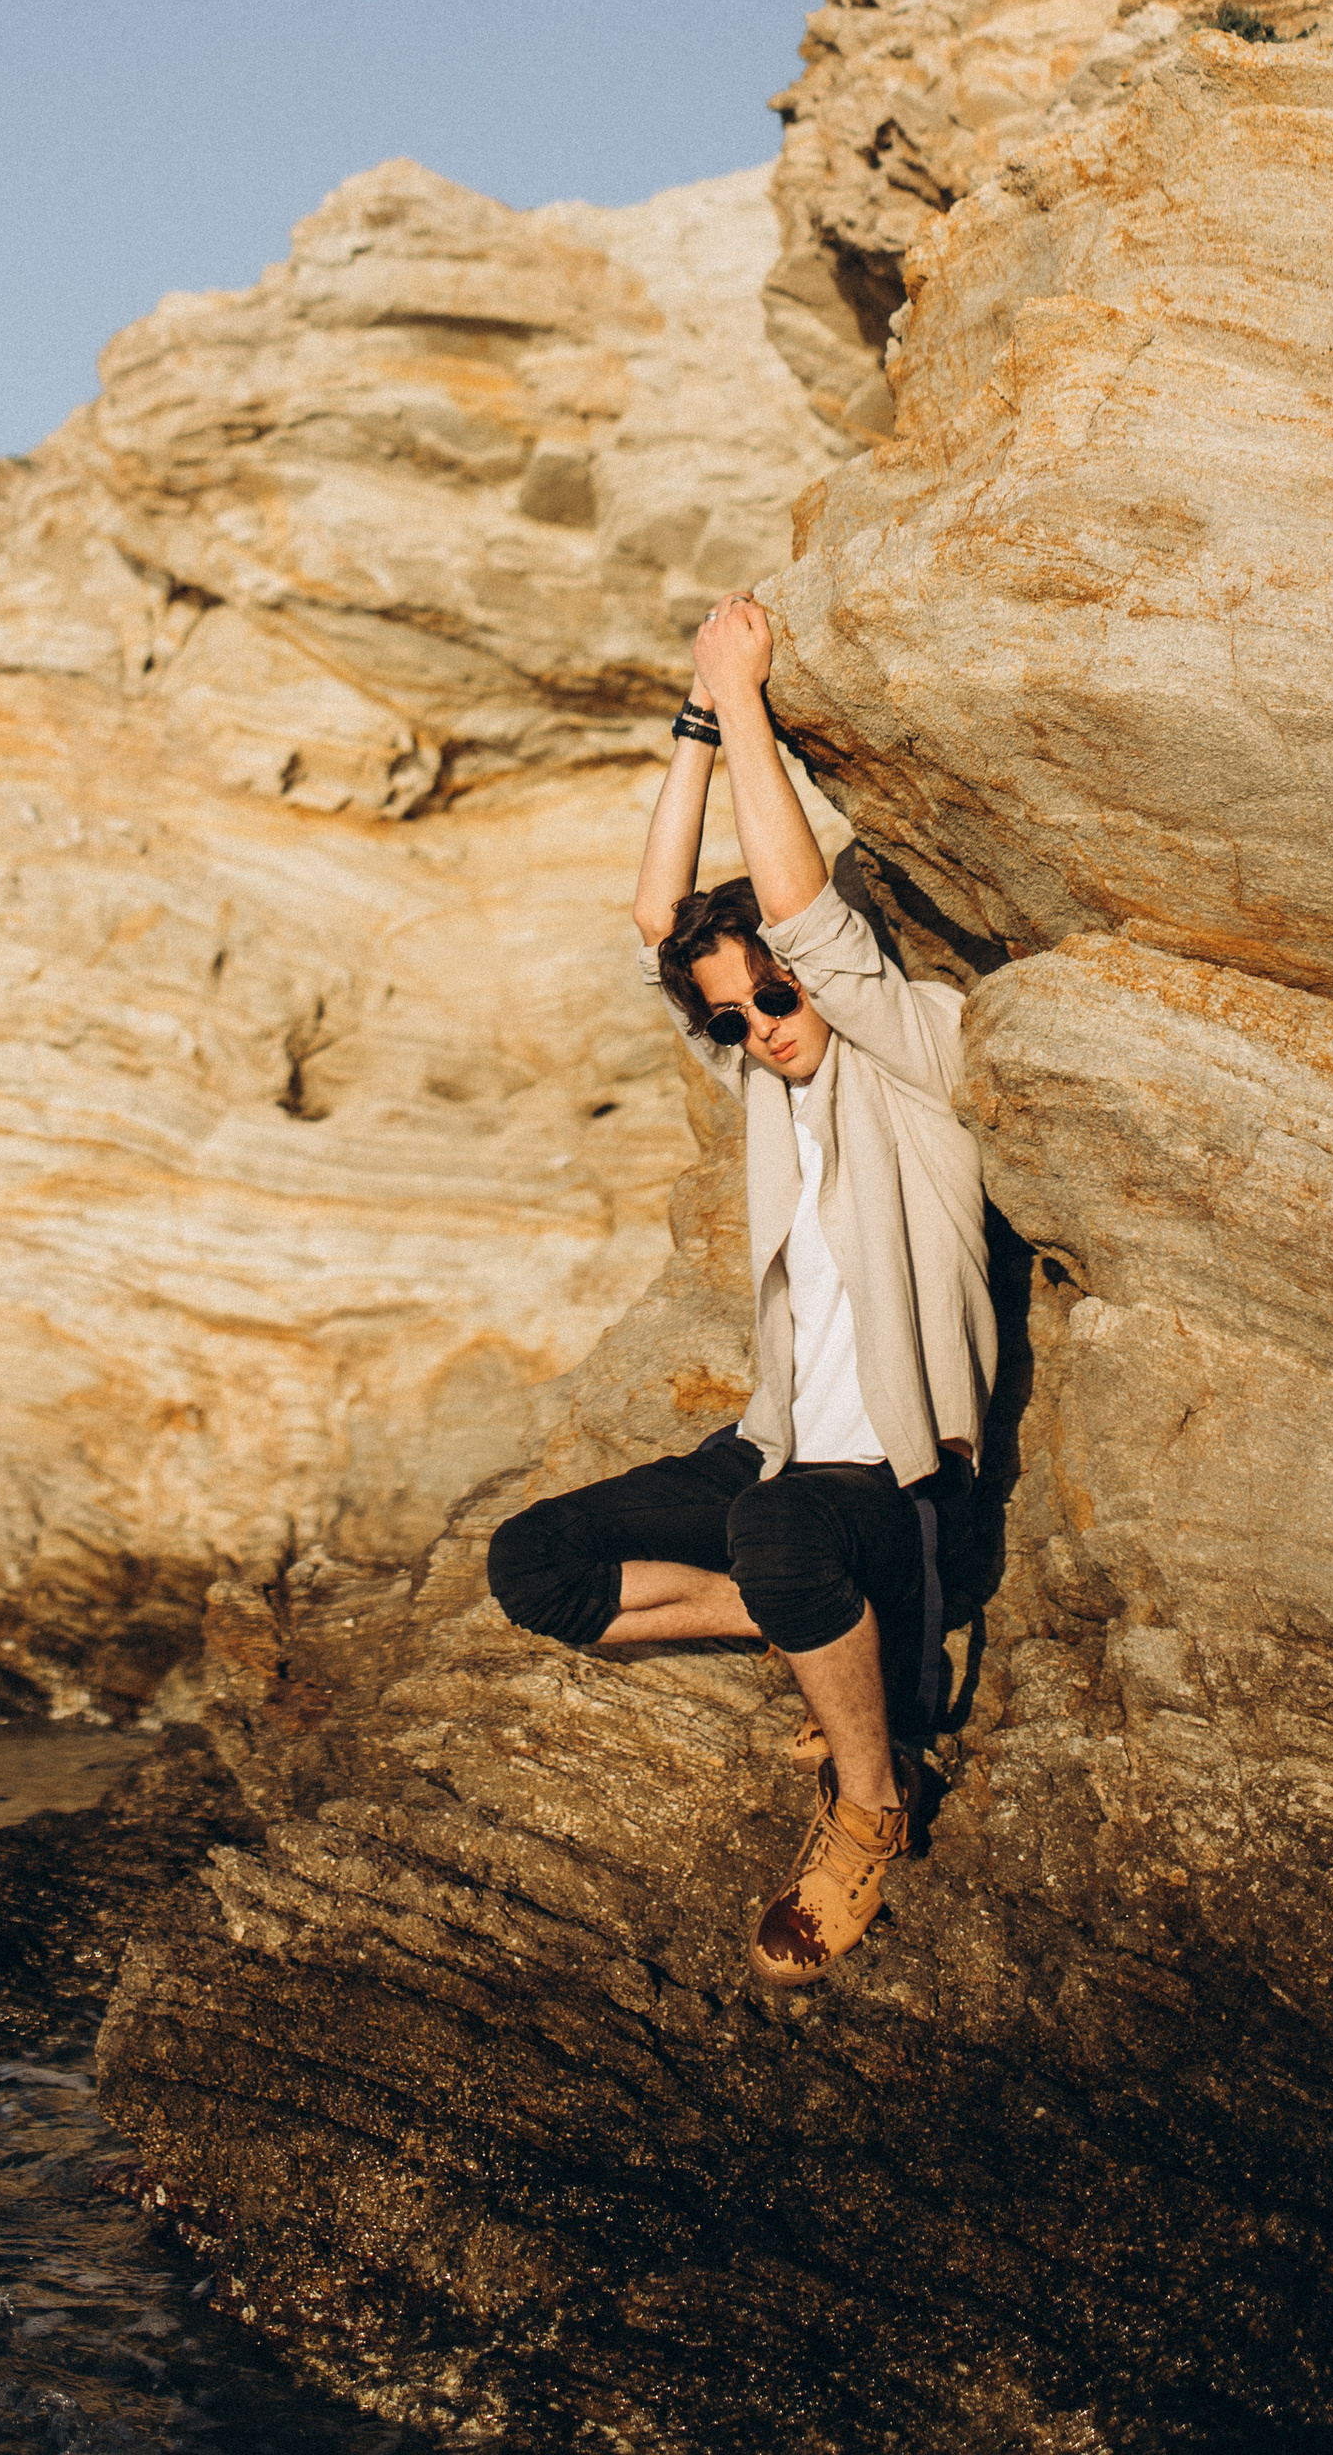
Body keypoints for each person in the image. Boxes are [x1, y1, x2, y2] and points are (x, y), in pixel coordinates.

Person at [484, 592, 995, 1987]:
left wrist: (751, 696)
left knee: (783, 1530)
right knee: (533, 1566)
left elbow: (803, 919)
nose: (760, 1033)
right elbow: (660, 914)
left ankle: (874, 1804)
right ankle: (824, 1627)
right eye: (732, 1019)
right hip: (776, 1452)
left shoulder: (920, 1059)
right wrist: (699, 726)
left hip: (891, 1480)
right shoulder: (767, 1081)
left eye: (772, 1001)